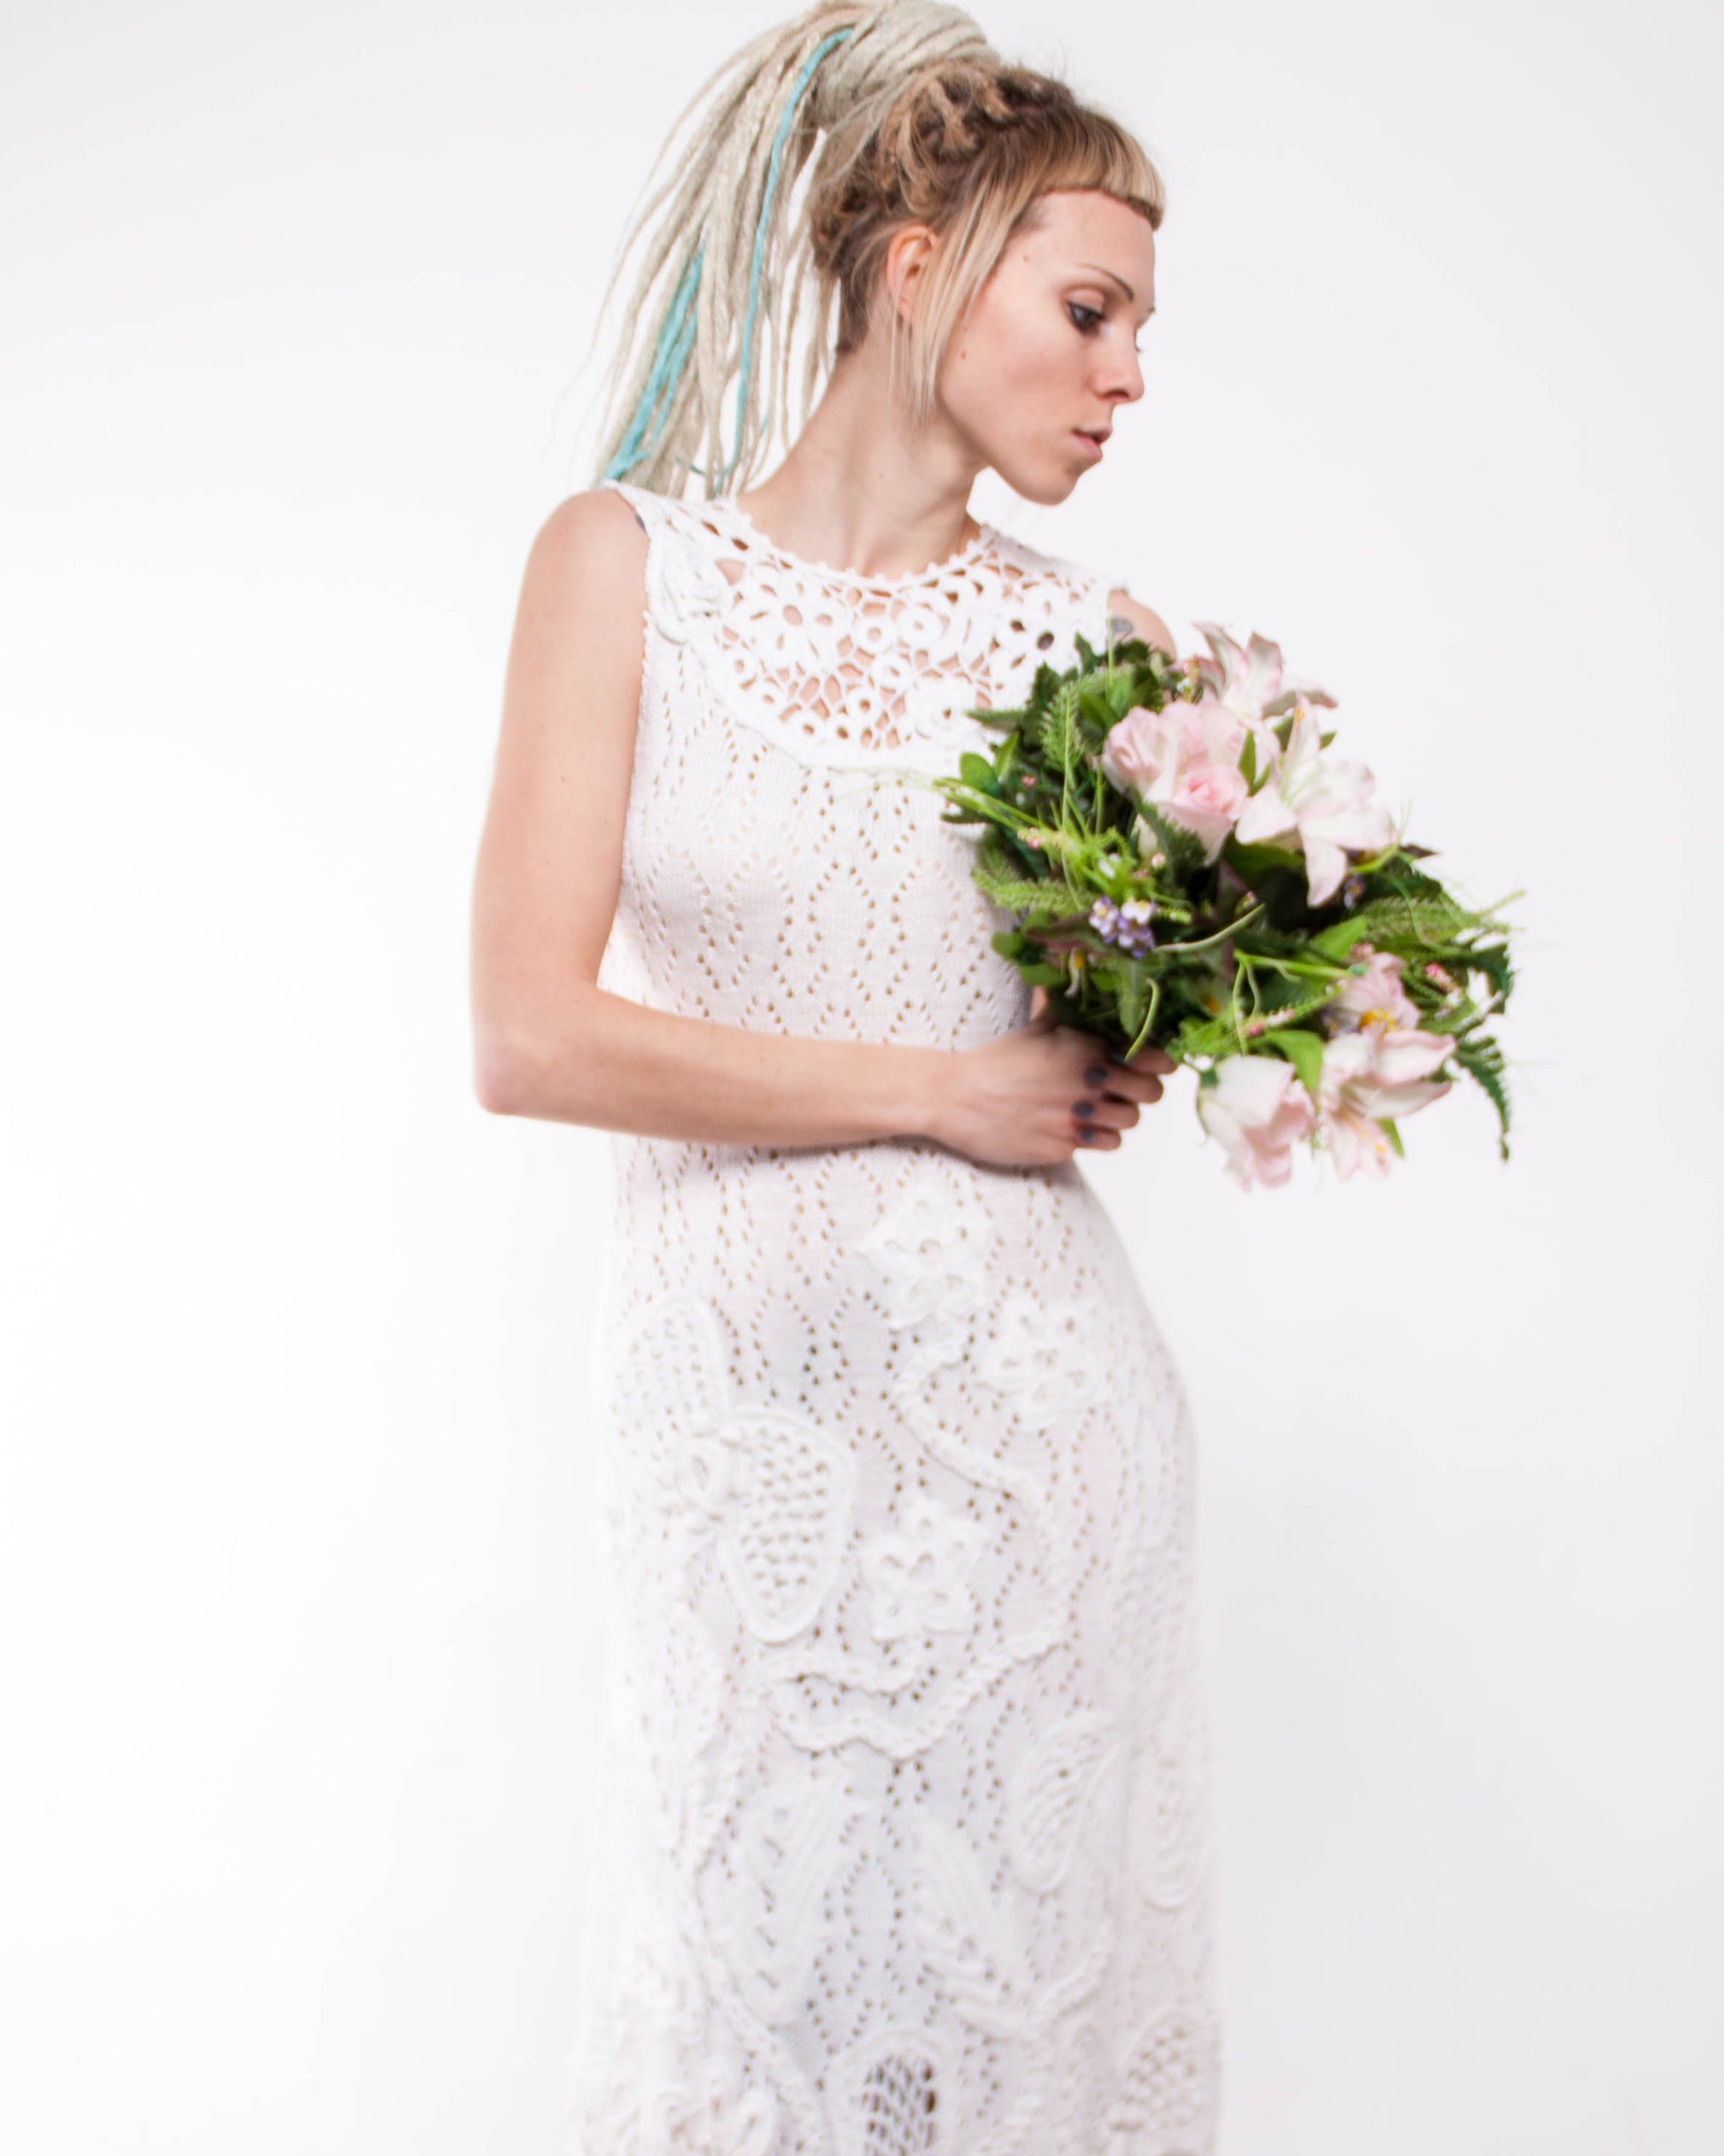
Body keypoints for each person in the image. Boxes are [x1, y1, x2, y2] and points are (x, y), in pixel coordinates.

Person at [469, 3, 1223, 2148]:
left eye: (1137, 329)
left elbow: (1118, 1035)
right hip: (732, 1434)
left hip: (1035, 1438)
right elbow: (527, 1032)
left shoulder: (1103, 653)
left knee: (1002, 2044)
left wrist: (1192, 994)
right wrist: (943, 1088)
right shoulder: (625, 569)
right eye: (1087, 311)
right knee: (754, 2012)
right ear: (917, 269)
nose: (1127, 376)